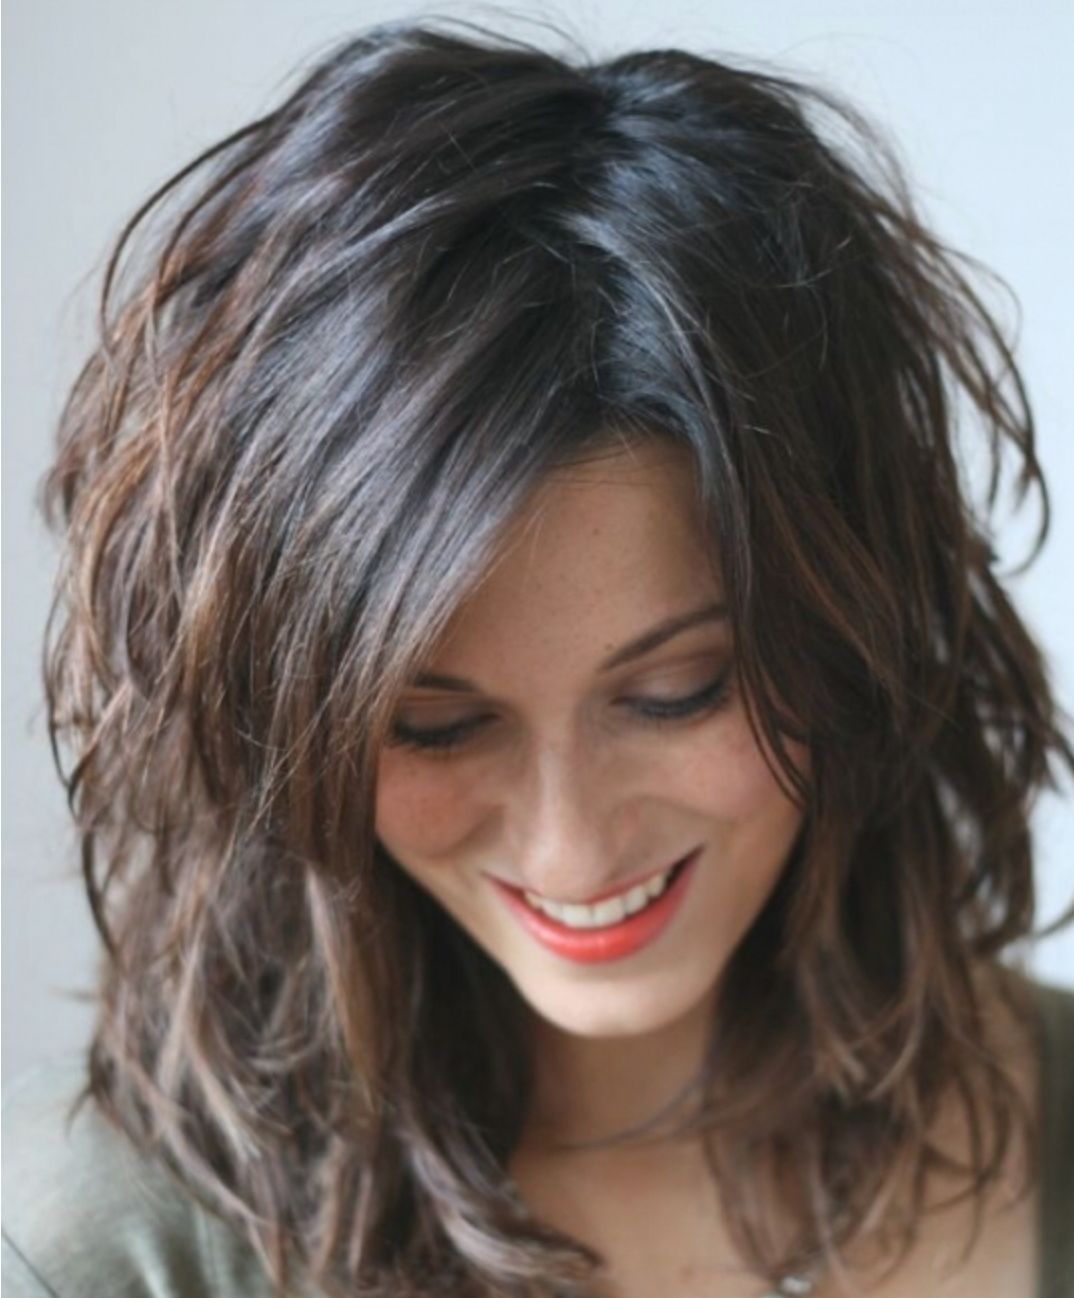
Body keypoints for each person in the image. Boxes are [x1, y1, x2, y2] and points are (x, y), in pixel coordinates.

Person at [3, 16, 1072, 1298]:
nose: (572, 850)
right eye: (436, 725)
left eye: (677, 692)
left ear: (862, 615)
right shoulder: (99, 1249)